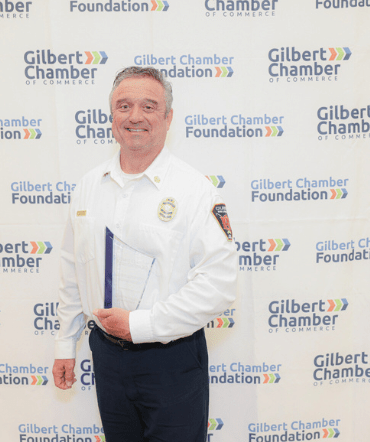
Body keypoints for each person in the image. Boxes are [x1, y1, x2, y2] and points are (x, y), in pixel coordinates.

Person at [52, 66, 237, 442]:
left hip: (171, 360)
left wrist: (140, 326)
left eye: (149, 106)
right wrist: (64, 344)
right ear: (112, 116)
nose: (135, 116)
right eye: (124, 105)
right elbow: (73, 269)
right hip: (105, 356)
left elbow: (218, 286)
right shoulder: (89, 187)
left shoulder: (195, 191)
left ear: (168, 118)